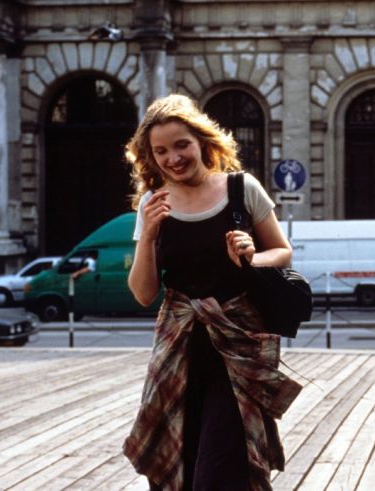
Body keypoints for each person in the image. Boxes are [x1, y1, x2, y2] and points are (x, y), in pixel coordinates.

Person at [121, 94, 302, 490]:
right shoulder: (154, 204)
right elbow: (142, 293)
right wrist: (148, 235)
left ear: (203, 141)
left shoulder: (241, 189)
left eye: (181, 145)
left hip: (237, 349)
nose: (173, 158)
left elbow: (283, 252)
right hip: (178, 352)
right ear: (150, 157)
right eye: (161, 151)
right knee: (178, 466)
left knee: (221, 470)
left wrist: (253, 256)